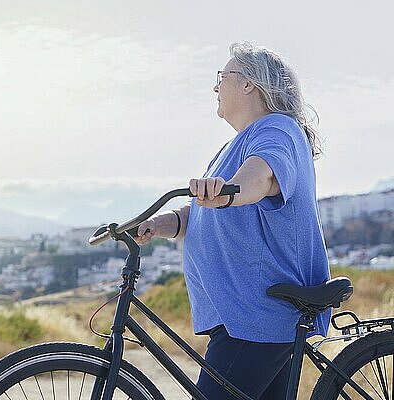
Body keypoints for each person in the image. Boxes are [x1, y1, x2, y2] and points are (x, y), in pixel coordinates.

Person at [135, 42, 330, 399]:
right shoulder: (235, 146)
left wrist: (227, 190)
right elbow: (209, 215)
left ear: (248, 84)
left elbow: (261, 179)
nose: (215, 87)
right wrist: (162, 224)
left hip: (254, 315)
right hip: (243, 314)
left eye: (223, 76)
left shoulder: (277, 130)